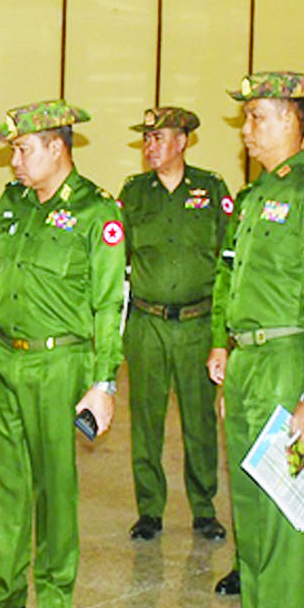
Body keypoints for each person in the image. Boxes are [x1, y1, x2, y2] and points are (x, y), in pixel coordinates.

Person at [0, 100, 125, 608]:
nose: (15, 162)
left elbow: (109, 304)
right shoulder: (13, 203)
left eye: (23, 150)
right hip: (7, 360)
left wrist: (103, 383)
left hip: (60, 364)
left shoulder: (96, 211)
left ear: (56, 147)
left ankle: (55, 603)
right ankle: (2, 595)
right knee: (6, 484)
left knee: (55, 488)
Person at [207, 71, 304, 608]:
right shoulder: (255, 197)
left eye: (257, 117)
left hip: (288, 364)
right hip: (248, 363)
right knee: (252, 510)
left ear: (291, 120)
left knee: (288, 514)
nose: (247, 129)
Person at [120, 106, 231, 543]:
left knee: (200, 421)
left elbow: (228, 261)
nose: (150, 147)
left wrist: (222, 335)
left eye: (159, 138)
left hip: (196, 323)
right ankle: (149, 509)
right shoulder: (134, 193)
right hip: (147, 323)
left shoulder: (212, 189)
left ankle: (204, 509)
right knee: (145, 419)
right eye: (146, 139)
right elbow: (115, 256)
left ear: (182, 142)